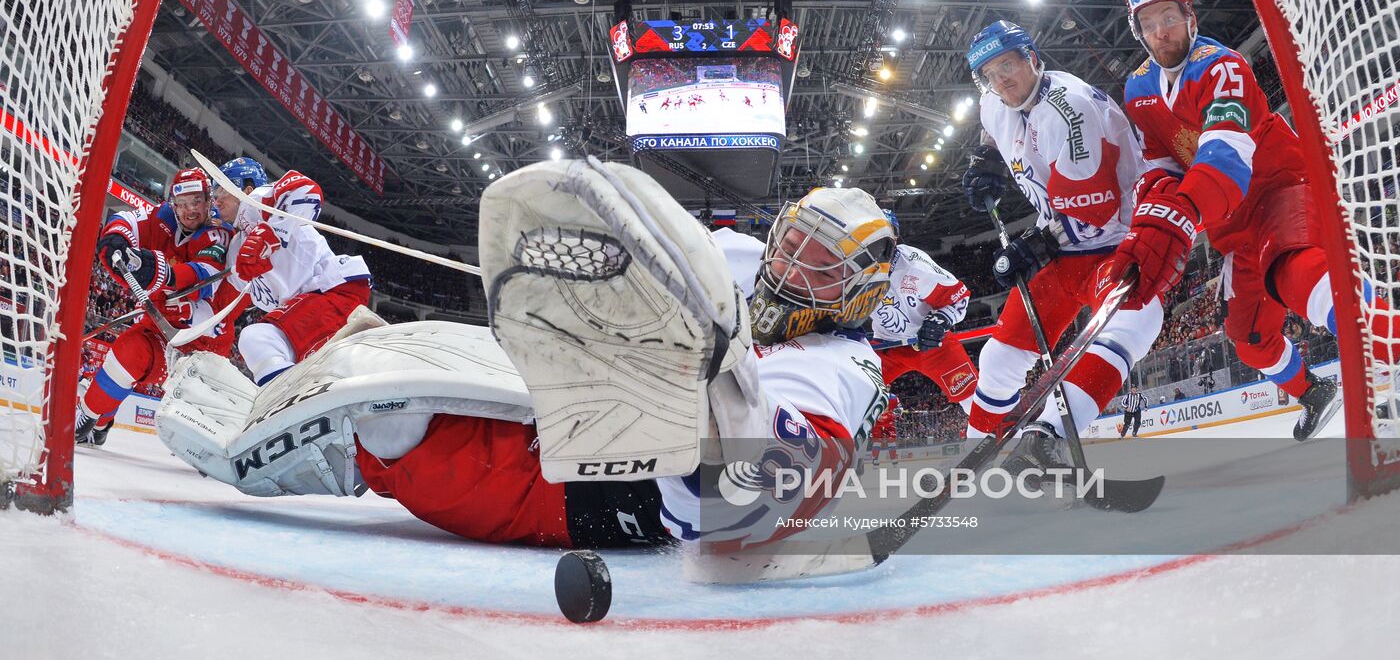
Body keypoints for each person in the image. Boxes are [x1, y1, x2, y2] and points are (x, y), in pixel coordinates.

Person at [156, 170, 898, 558]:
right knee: (377, 348)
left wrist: (699, 370)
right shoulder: (737, 257)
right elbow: (652, 249)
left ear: (856, 293)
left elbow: (754, 492)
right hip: (580, 400)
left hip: (621, 490)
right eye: (791, 242)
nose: (786, 267)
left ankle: (349, 450)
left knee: (403, 431)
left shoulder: (840, 365)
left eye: (818, 266)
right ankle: (330, 409)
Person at [1113, 0, 1398, 440]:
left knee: (1296, 273)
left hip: (1279, 188)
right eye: (1149, 23)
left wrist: (1183, 216)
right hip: (1233, 224)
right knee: (1248, 339)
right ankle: (1314, 392)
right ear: (1138, 31)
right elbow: (1160, 166)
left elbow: (1225, 159)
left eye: (1169, 16)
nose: (1161, 30)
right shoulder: (1138, 90)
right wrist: (1152, 223)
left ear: (1189, 16)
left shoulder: (1220, 66)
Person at [961, 20, 1165, 482]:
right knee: (999, 358)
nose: (1001, 80)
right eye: (989, 73)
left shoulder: (1069, 111)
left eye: (1009, 65)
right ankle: (971, 460)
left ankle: (1045, 439)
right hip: (1064, 246)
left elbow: (1096, 212)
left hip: (1116, 243)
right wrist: (986, 158)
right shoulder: (994, 96)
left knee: (1136, 321)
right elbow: (992, 126)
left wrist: (1036, 244)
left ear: (1033, 57)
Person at [75, 168, 236, 446]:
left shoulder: (219, 232)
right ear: (173, 204)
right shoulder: (162, 217)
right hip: (160, 329)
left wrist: (158, 272)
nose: (190, 210)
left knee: (202, 438)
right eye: (183, 203)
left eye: (197, 201)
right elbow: (124, 219)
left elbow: (204, 277)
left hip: (202, 346)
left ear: (209, 201)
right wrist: (115, 240)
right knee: (127, 355)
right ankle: (95, 421)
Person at [209, 157, 372, 385]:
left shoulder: (258, 202)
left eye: (221, 190)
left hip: (329, 293)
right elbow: (226, 298)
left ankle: (284, 405)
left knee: (258, 338)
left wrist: (270, 234)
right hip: (309, 312)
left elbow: (306, 189)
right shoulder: (237, 246)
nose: (215, 201)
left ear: (245, 188)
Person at [870, 210, 979, 446]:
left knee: (974, 399)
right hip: (884, 346)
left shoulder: (916, 268)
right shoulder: (849, 268)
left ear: (894, 239)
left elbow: (958, 298)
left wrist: (939, 321)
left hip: (928, 344)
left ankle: (1002, 439)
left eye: (882, 239)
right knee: (852, 394)